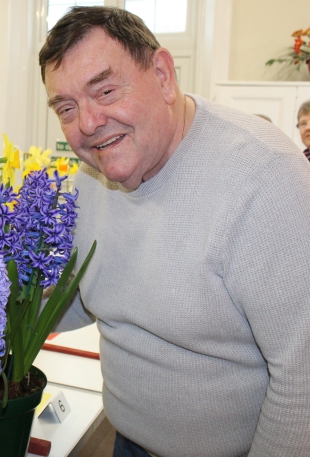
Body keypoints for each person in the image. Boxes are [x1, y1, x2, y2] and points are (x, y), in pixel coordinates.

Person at [40, 7, 310, 457]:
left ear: (163, 75)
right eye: (67, 108)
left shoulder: (266, 180)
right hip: (126, 441)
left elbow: (303, 377)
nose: (87, 123)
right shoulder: (90, 180)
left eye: (105, 90)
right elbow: (90, 297)